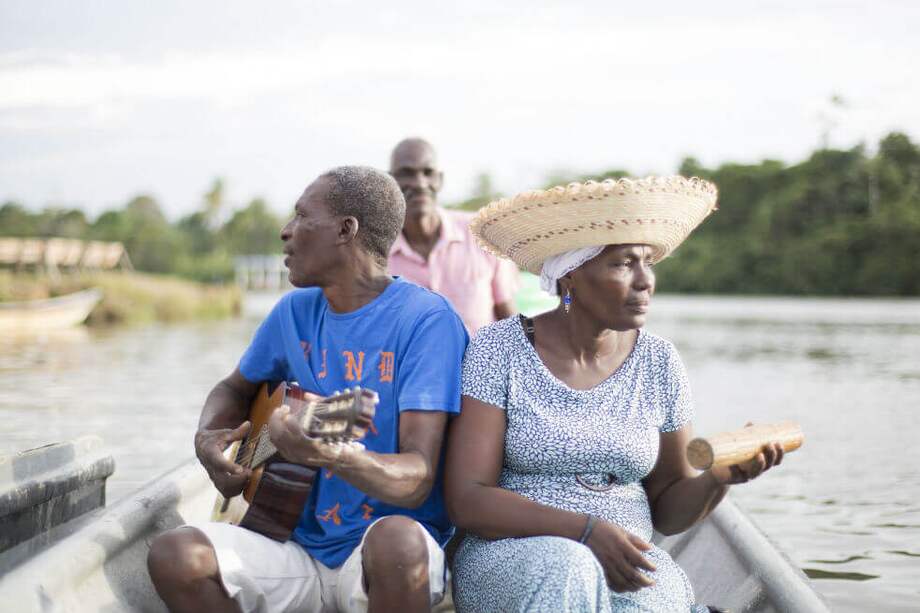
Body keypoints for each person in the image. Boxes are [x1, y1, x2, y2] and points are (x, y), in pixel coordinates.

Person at [444, 177, 786, 612]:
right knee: (569, 568)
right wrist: (585, 531)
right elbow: (468, 498)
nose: (645, 281)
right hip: (515, 552)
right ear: (570, 274)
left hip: (627, 559)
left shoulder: (660, 361)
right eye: (624, 263)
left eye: (647, 262)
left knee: (656, 599)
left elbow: (667, 508)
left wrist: (717, 480)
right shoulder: (499, 349)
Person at [147, 166, 468, 613]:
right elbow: (233, 388)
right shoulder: (292, 312)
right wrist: (209, 438)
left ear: (345, 229)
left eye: (301, 216)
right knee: (175, 555)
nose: (285, 231)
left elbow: (416, 480)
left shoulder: (426, 321)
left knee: (398, 545)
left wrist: (332, 455)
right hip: (294, 545)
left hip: (382, 557)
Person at [387, 138, 518, 334]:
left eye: (428, 173)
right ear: (390, 181)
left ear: (439, 180)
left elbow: (509, 319)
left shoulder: (482, 234)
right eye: (407, 173)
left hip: (483, 363)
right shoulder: (375, 251)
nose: (420, 183)